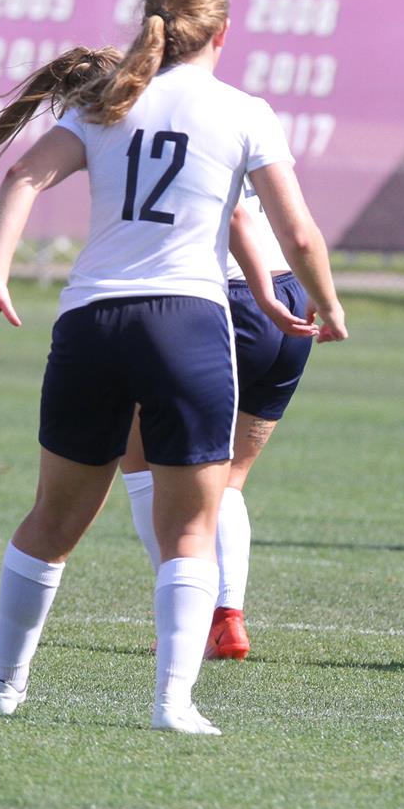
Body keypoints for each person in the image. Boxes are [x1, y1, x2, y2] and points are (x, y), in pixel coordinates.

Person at [0, 0, 347, 735]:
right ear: (224, 30)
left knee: (51, 521)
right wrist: (323, 303)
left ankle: (2, 685)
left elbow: (24, 174)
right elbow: (294, 229)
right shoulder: (243, 111)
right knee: (189, 527)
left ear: (150, 20)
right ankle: (172, 703)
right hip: (184, 326)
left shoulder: (107, 99)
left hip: (91, 324)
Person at [121, 181, 317, 660]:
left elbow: (233, 217)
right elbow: (299, 227)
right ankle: (227, 621)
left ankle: (194, 618)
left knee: (141, 462)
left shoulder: (175, 118)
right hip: (290, 293)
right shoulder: (245, 117)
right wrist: (322, 293)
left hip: (225, 298)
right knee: (228, 479)